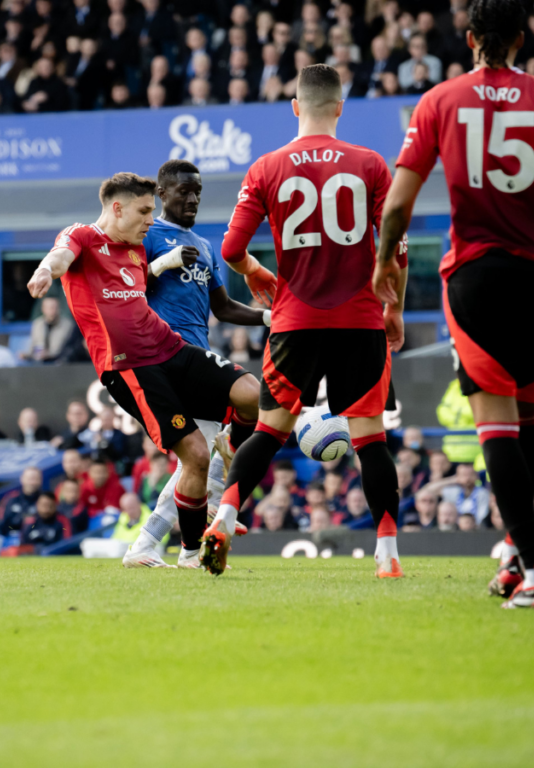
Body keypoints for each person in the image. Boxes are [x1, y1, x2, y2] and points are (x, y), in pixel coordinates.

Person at [376, 0, 534, 608]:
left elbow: (399, 201)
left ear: (468, 39)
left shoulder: (440, 100)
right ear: (520, 39)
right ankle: (516, 556)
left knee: (496, 422)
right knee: (525, 419)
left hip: (476, 277)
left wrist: (385, 261)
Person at [206, 64, 408, 578]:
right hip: (361, 321)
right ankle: (387, 557)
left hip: (293, 322)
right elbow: (395, 251)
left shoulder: (267, 168)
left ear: (295, 107)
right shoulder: (370, 165)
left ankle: (224, 520)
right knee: (370, 440)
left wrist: (253, 270)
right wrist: (395, 309)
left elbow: (231, 249)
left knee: (271, 431)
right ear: (340, 107)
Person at [26, 172, 260, 567]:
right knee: (195, 457)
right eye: (145, 211)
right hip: (130, 367)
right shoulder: (83, 236)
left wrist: (162, 264)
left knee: (253, 394)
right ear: (117, 208)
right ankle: (188, 553)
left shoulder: (136, 250)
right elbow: (61, 255)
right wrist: (47, 271)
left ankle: (226, 460)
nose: (151, 220)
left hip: (172, 347)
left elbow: (139, 284)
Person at [124, 158, 272, 568]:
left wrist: (266, 317)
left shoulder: (205, 246)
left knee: (197, 458)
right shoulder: (148, 234)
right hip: (163, 354)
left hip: (198, 354)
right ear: (162, 194)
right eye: (183, 192)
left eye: (197, 193)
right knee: (252, 402)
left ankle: (148, 542)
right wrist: (163, 264)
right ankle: (219, 486)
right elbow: (127, 287)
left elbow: (222, 308)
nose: (192, 199)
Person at [0, 466, 42, 536]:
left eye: (36, 479)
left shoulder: (45, 500)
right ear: (22, 479)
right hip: (11, 541)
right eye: (30, 479)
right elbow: (0, 524)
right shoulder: (10, 499)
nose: (32, 483)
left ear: (40, 481)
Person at [25, 296, 75, 362]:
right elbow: (34, 346)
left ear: (59, 309)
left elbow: (65, 349)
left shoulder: (67, 325)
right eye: (49, 308)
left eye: (54, 307)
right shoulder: (37, 324)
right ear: (43, 309)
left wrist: (48, 354)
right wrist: (28, 355)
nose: (52, 311)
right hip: (39, 362)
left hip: (60, 362)